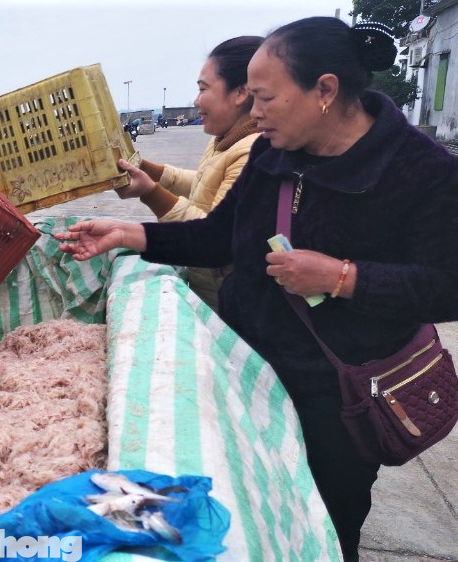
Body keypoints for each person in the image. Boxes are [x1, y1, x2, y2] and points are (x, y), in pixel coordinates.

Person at [56, 18, 458, 560]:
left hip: (336, 397)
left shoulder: (424, 172)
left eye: (265, 96)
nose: (255, 110)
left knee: (326, 522)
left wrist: (343, 278)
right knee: (254, 518)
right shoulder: (273, 153)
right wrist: (129, 233)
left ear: (325, 91)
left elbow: (445, 286)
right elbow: (221, 236)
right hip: (249, 373)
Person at [115, 36, 263, 310]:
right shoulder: (223, 138)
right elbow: (201, 184)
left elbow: (212, 233)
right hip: (205, 288)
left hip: (225, 304)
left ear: (241, 93)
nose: (196, 101)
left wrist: (150, 193)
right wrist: (147, 169)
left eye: (203, 89)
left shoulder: (251, 151)